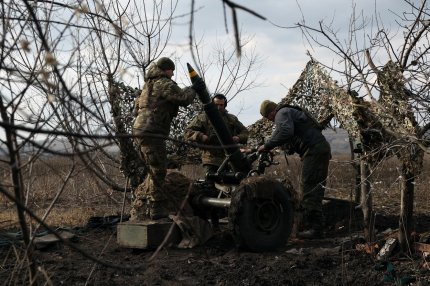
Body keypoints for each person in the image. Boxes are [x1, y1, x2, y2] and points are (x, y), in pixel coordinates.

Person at [131, 57, 206, 221]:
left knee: (153, 168)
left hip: (141, 130)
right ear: (167, 69)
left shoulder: (148, 85)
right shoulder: (163, 83)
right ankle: (156, 208)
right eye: (172, 70)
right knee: (159, 169)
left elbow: (135, 109)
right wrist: (194, 88)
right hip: (152, 131)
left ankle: (148, 203)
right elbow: (184, 99)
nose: (173, 74)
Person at [258, 100, 331, 239]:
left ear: (271, 112)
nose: (271, 120)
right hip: (316, 150)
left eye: (269, 118)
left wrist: (267, 146)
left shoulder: (281, 113)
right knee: (312, 186)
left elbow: (285, 131)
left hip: (314, 151)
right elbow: (283, 133)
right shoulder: (287, 112)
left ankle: (316, 229)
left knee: (310, 188)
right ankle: (315, 226)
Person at [184, 93, 249, 174]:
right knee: (210, 182)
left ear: (225, 105)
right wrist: (200, 136)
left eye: (221, 105)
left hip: (229, 159)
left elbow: (245, 132)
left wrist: (238, 138)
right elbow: (188, 131)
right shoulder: (203, 117)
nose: (218, 107)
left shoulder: (231, 119)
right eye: (216, 104)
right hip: (210, 159)